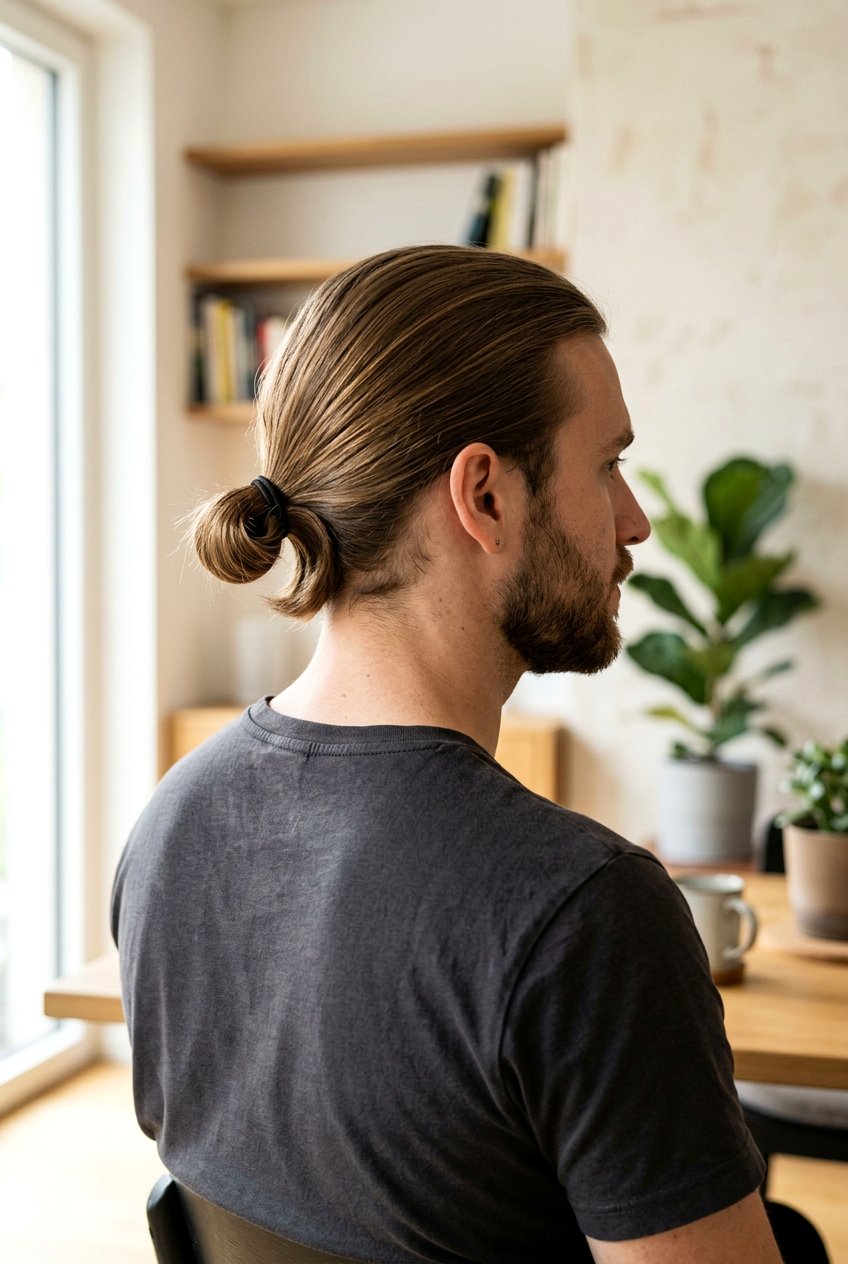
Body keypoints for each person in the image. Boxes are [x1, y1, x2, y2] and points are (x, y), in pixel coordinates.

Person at [113, 245, 817, 1263]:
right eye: (608, 463)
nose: (636, 521)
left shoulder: (170, 826)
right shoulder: (583, 913)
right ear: (483, 494)